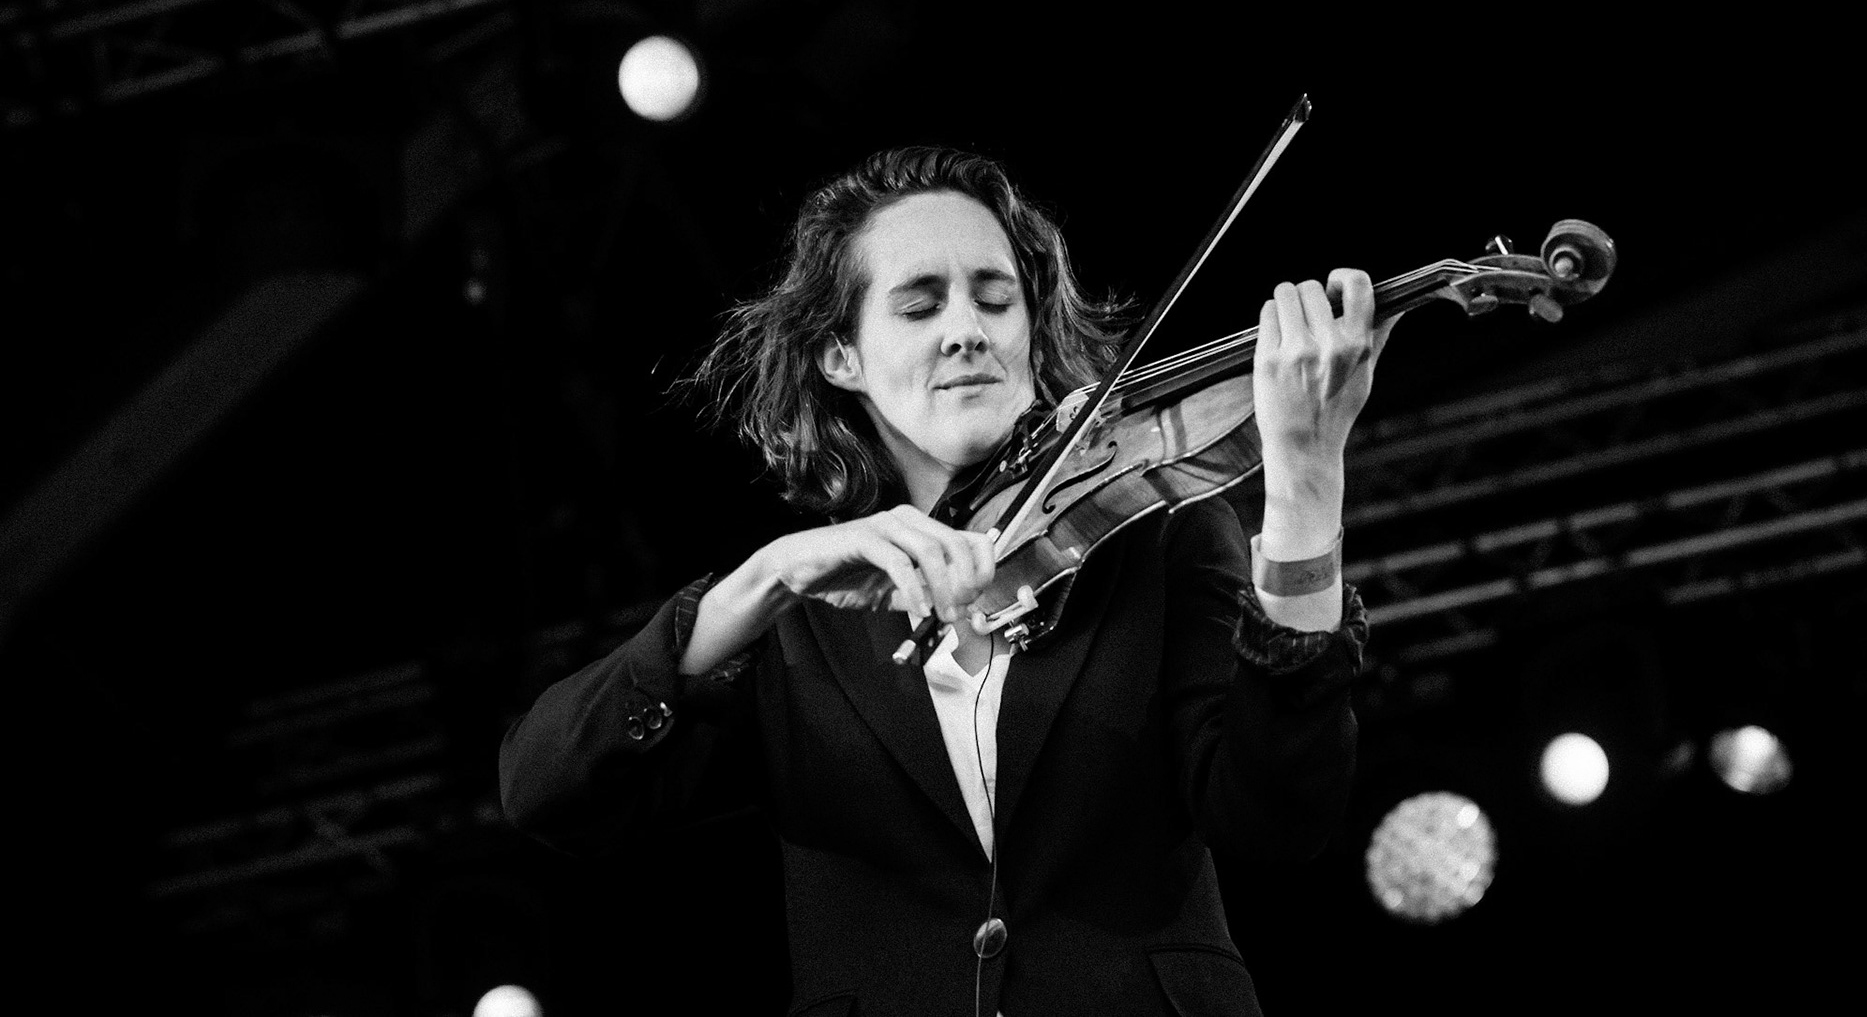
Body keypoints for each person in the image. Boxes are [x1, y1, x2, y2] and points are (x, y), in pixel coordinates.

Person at [498, 146, 1396, 1016]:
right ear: (840, 356)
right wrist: (760, 581)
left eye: (995, 298)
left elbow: (1278, 820)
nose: (967, 328)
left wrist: (1309, 486)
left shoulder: (1153, 535)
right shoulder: (798, 609)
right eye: (920, 305)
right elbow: (545, 789)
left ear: (1031, 332)